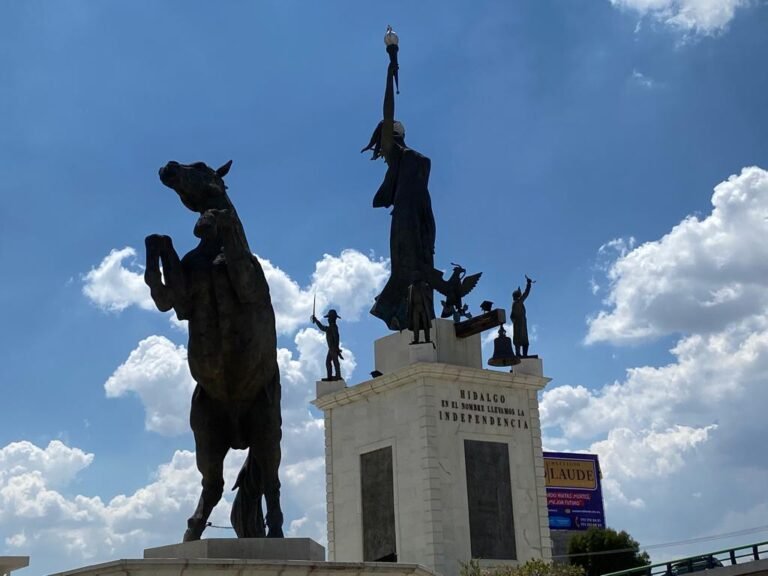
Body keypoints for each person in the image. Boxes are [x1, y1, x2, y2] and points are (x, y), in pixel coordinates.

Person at [362, 50, 435, 331]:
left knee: (424, 262)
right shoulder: (398, 157)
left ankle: (419, 315)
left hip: (422, 214)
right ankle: (395, 311)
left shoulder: (413, 157)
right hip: (404, 216)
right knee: (407, 267)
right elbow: (387, 110)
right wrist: (389, 73)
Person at [311, 309, 343, 381]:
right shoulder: (330, 327)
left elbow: (337, 337)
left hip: (333, 348)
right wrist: (316, 320)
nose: (328, 319)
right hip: (331, 348)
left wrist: (336, 348)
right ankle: (332, 376)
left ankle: (337, 376)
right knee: (329, 362)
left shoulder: (333, 327)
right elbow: (322, 327)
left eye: (329, 317)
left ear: (332, 318)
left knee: (334, 362)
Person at [511, 276, 533, 357]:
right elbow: (526, 294)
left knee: (519, 341)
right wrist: (528, 284)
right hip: (521, 325)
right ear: (518, 296)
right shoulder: (518, 303)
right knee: (524, 342)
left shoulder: (514, 304)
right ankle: (523, 355)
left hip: (518, 325)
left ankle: (519, 354)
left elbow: (511, 316)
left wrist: (515, 321)